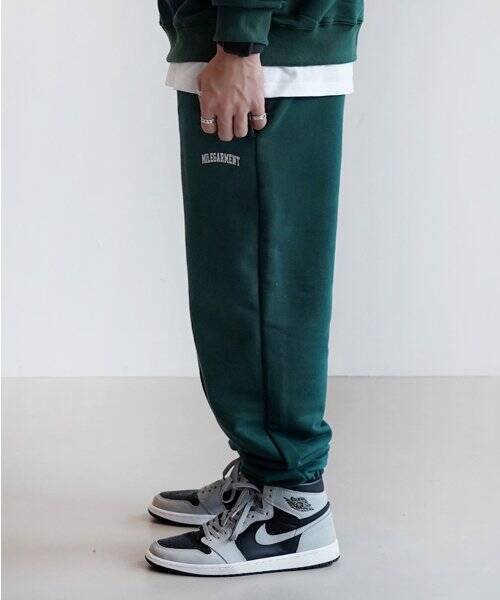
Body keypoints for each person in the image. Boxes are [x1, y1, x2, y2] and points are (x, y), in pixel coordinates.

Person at [145, 0, 363, 577]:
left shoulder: (246, 46)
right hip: (243, 40)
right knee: (239, 280)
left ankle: (291, 506)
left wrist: (240, 42)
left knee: (259, 286)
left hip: (260, 48)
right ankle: (264, 474)